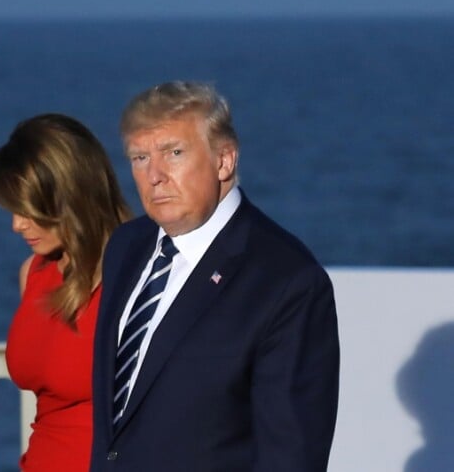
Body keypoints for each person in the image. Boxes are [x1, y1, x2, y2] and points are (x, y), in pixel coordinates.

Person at [91, 82, 340, 472]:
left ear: (224, 160)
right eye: (139, 157)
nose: (154, 175)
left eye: (173, 153)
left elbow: (292, 455)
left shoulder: (286, 281)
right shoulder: (126, 246)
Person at [0, 113, 131, 472]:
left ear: (70, 196)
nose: (16, 225)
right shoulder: (33, 273)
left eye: (28, 211)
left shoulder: (136, 272)